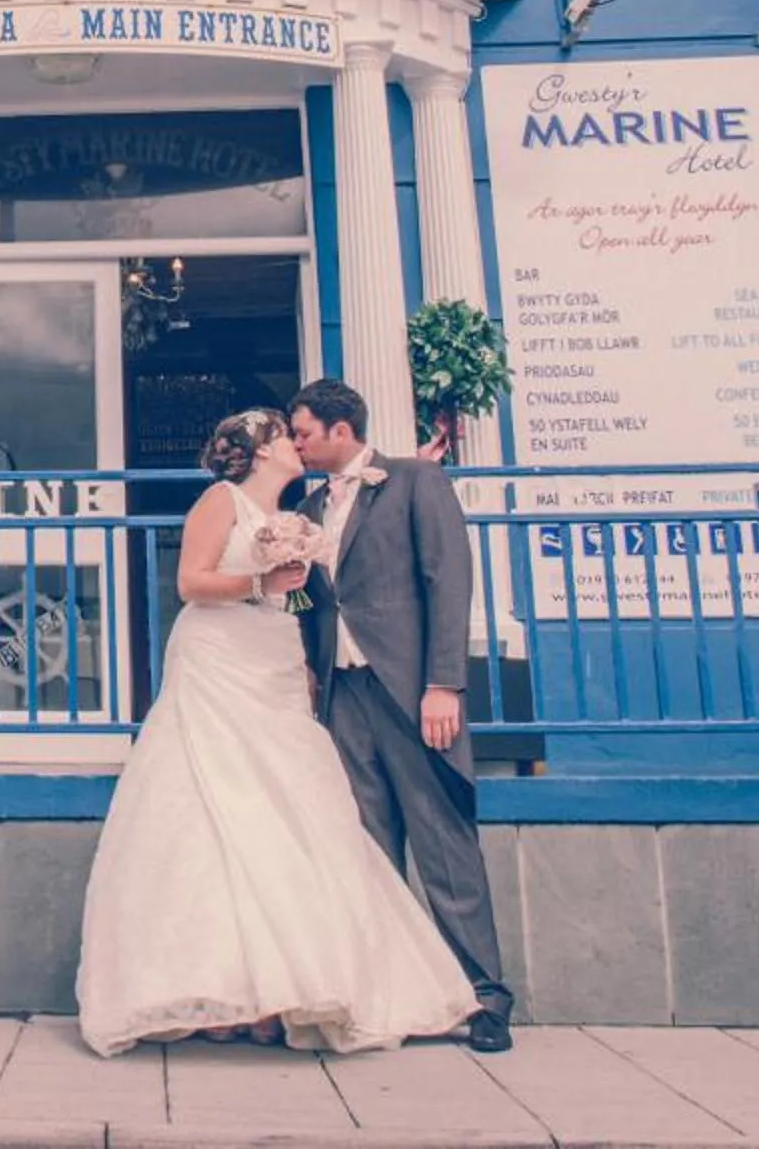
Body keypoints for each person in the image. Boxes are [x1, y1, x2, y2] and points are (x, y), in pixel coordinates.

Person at [74, 408, 479, 1057]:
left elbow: (288, 599)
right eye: (283, 436)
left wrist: (287, 595)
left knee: (286, 818)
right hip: (217, 664)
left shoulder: (301, 516)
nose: (297, 443)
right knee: (215, 814)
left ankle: (279, 991)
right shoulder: (221, 500)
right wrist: (260, 579)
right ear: (260, 452)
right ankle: (216, 990)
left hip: (274, 665)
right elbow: (191, 583)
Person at [287, 377, 515, 1054]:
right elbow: (310, 599)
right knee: (369, 847)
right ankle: (393, 996)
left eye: (303, 432)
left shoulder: (415, 480)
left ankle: (486, 996)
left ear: (340, 428)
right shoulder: (304, 506)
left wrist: (444, 682)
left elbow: (450, 581)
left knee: (442, 841)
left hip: (410, 688)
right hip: (342, 694)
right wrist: (305, 657)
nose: (296, 444)